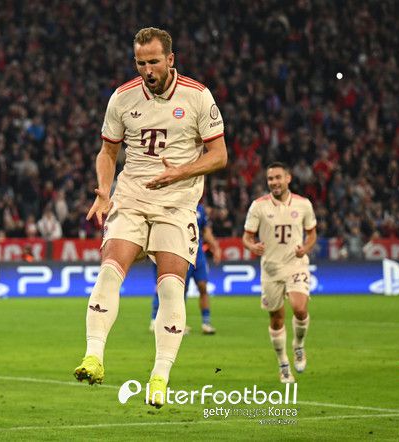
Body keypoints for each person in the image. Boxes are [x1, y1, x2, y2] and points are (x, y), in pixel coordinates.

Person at [73, 27, 227, 408]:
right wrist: (104, 190)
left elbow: (219, 155)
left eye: (154, 62)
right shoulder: (122, 97)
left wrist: (180, 172)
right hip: (131, 197)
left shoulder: (197, 96)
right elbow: (108, 152)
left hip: (177, 204)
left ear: (170, 59)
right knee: (110, 270)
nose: (147, 70)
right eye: (140, 63)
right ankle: (93, 356)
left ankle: (159, 376)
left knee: (171, 287)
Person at [242, 162, 317, 383]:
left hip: (296, 264)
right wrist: (252, 246)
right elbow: (246, 237)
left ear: (288, 178)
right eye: (270, 179)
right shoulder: (258, 206)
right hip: (271, 269)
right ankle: (283, 363)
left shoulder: (303, 204)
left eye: (278, 177)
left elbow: (312, 234)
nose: (274, 182)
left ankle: (299, 345)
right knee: (276, 318)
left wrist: (306, 248)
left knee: (299, 308)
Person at [150, 202, 222, 335]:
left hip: (198, 254)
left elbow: (206, 231)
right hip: (182, 252)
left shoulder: (200, 209)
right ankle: (176, 323)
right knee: (180, 289)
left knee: (203, 287)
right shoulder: (177, 205)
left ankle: (206, 323)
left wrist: (215, 247)